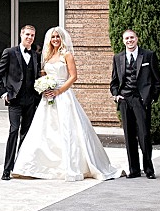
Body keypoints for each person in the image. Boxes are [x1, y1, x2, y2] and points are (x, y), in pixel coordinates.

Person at [12, 27, 121, 181]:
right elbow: (45, 73)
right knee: (44, 131)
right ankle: (36, 167)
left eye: (58, 37)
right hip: (47, 96)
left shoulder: (67, 55)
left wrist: (58, 91)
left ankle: (73, 166)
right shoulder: (48, 55)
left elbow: (73, 76)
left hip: (63, 96)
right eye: (53, 37)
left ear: (62, 38)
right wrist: (44, 85)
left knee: (68, 130)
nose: (55, 39)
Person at [109, 29, 160, 179]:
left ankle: (149, 169)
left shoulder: (148, 55)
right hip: (125, 100)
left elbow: (156, 80)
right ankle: (134, 169)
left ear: (137, 38)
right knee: (129, 135)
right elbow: (114, 81)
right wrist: (116, 95)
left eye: (132, 37)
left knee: (144, 135)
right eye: (126, 38)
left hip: (141, 100)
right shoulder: (118, 58)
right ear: (123, 40)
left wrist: (151, 98)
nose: (129, 40)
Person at [0, 25, 41, 180]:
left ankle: (20, 166)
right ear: (21, 34)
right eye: (27, 34)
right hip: (15, 99)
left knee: (26, 134)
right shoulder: (10, 52)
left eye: (32, 35)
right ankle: (6, 169)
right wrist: (4, 93)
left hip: (31, 100)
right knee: (14, 131)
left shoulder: (35, 55)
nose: (30, 37)